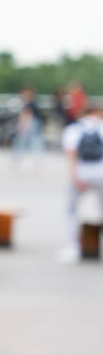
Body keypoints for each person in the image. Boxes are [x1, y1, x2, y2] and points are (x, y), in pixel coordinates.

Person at [58, 103, 103, 263]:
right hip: (100, 174)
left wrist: (74, 177)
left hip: (81, 173)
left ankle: (72, 248)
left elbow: (71, 155)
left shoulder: (73, 129)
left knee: (71, 211)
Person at [11, 86, 46, 167]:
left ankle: (21, 156)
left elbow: (27, 113)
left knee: (29, 140)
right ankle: (34, 157)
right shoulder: (29, 102)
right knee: (31, 140)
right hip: (32, 122)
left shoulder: (29, 103)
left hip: (32, 122)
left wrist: (22, 124)